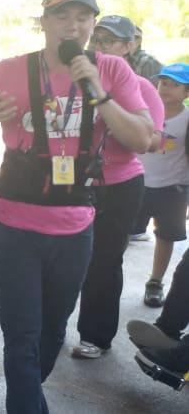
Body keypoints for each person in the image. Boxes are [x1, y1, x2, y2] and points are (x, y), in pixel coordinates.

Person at [0, 0, 151, 413]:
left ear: (92, 25)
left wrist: (98, 92)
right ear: (43, 22)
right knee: (21, 333)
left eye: (83, 17)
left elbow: (140, 137)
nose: (72, 25)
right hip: (14, 223)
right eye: (61, 16)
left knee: (52, 331)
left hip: (76, 225)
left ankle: (27, 388)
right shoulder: (9, 70)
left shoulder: (112, 72)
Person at [70, 65, 164, 360]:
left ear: (130, 46)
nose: (104, 49)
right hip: (69, 179)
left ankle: (95, 336)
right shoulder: (67, 82)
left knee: (104, 261)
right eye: (99, 40)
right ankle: (51, 325)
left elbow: (152, 142)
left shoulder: (141, 88)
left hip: (119, 186)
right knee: (61, 257)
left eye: (113, 42)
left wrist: (110, 107)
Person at [132, 64, 189, 307]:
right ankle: (107, 275)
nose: (166, 88)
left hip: (173, 188)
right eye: (163, 82)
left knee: (165, 236)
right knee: (124, 232)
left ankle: (155, 282)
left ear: (187, 92)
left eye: (175, 85)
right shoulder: (145, 112)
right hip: (137, 183)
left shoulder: (187, 120)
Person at [92, 15, 163, 81]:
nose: (97, 46)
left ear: (127, 46)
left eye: (107, 41)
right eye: (94, 39)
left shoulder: (141, 81)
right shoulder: (85, 72)